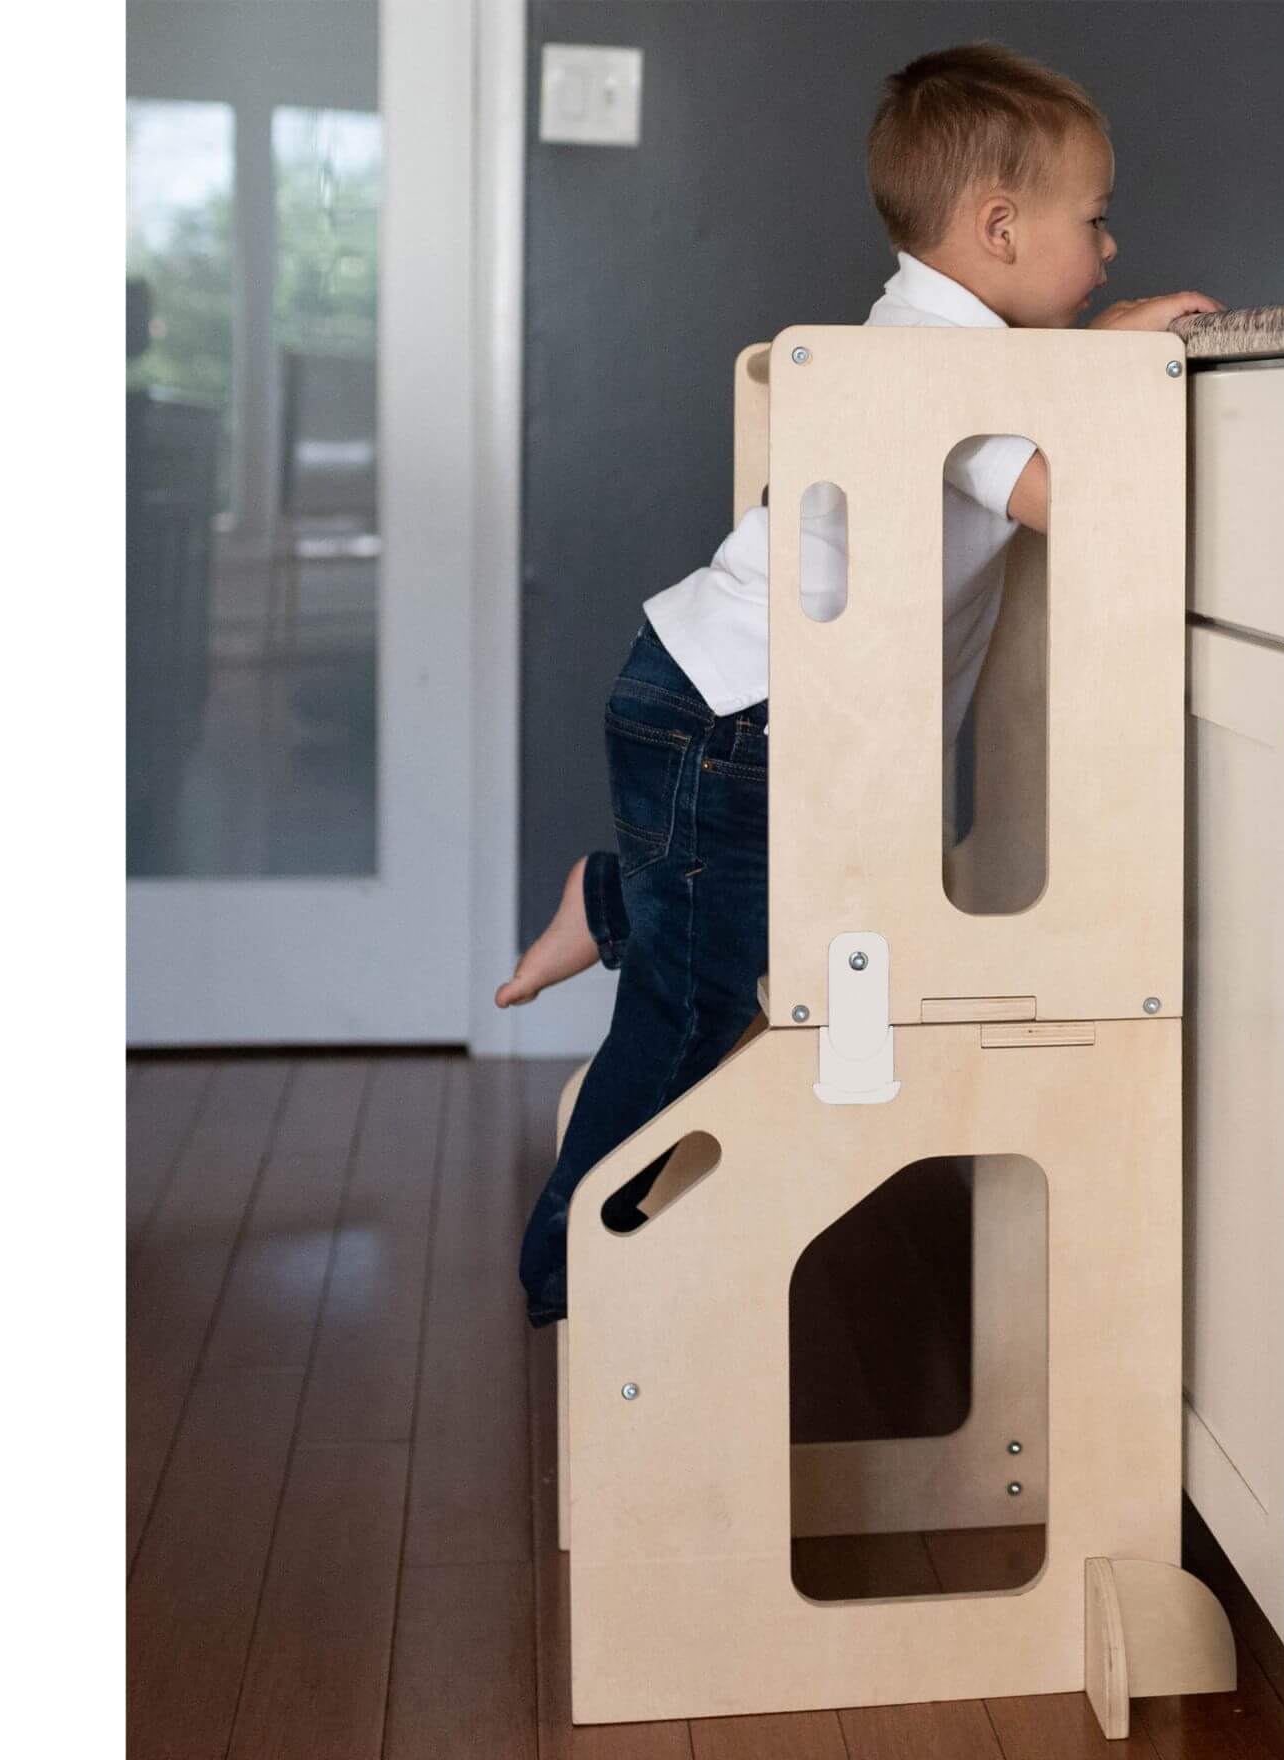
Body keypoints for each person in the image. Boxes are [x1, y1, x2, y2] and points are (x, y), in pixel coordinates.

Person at [504, 39, 1224, 1326]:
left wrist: (1091, 354)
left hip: (738, 709)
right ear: (1000, 229)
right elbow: (1086, 501)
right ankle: (574, 1258)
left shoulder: (939, 341)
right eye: (1096, 221)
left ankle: (622, 898)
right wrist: (1122, 364)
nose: (1112, 251)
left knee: (778, 919)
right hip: (737, 722)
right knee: (696, 1011)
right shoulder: (939, 369)